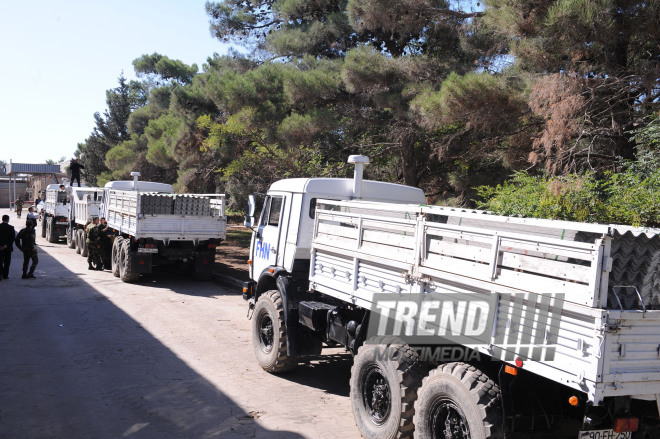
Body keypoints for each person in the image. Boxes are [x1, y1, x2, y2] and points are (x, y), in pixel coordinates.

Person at [0, 215, 16, 280]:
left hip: (0, 248)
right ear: (8, 220)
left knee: (0, 262)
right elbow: (12, 239)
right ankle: (5, 275)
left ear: (2, 219)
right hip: (7, 248)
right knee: (7, 262)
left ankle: (0, 274)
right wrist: (6, 245)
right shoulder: (11, 228)